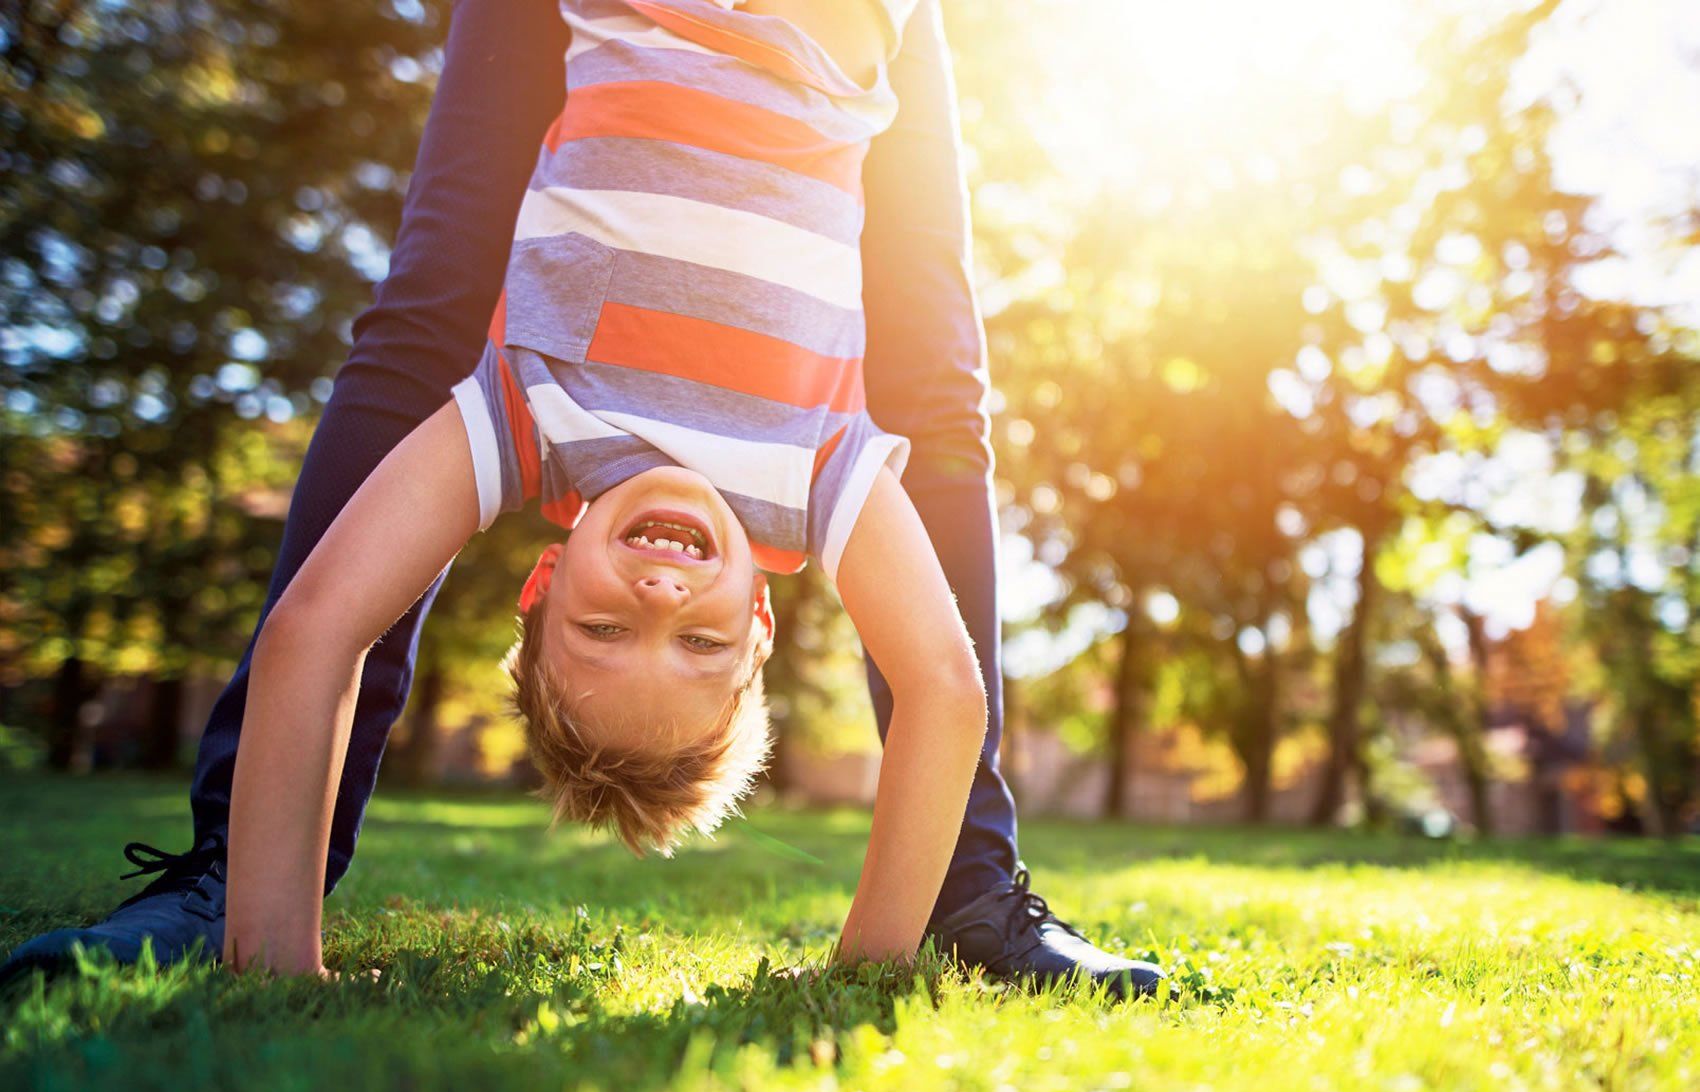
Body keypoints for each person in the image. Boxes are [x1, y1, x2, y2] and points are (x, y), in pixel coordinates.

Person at [2, 0, 1164, 998]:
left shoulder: (528, 418)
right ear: (758, 623)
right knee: (944, 405)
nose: (660, 588)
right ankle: (956, 904)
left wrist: (273, 947)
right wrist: (868, 962)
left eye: (608, 627)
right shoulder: (811, 482)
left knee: (414, 341)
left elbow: (317, 631)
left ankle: (229, 887)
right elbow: (943, 688)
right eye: (695, 637)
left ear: (544, 578)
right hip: (830, 42)